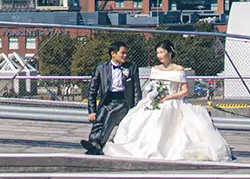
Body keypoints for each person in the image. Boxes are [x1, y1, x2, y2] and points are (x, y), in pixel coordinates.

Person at [102, 40, 233, 162]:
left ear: (169, 52)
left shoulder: (178, 69)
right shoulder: (156, 69)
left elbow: (185, 90)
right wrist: (154, 95)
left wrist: (170, 97)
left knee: (168, 115)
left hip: (173, 101)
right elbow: (152, 86)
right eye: (157, 53)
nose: (159, 55)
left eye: (161, 52)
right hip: (156, 100)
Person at [82, 41, 139, 154]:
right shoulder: (101, 68)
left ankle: (98, 143)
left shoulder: (131, 67)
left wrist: (135, 109)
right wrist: (92, 111)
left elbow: (137, 90)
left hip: (123, 102)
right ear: (113, 54)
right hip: (107, 100)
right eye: (122, 53)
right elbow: (92, 91)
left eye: (126, 53)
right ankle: (93, 141)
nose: (125, 55)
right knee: (101, 115)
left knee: (111, 115)